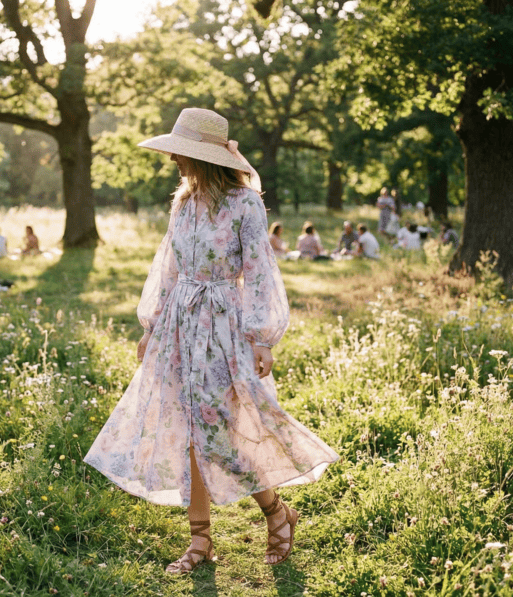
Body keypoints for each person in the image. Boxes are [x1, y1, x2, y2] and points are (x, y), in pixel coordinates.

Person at [84, 108, 338, 574]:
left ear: (203, 156)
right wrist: (151, 327)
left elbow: (260, 270)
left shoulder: (245, 204)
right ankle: (200, 540)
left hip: (224, 323)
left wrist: (262, 337)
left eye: (181, 152)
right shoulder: (183, 203)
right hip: (179, 322)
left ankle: (277, 512)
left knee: (220, 428)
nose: (174, 160)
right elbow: (169, 266)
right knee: (187, 429)